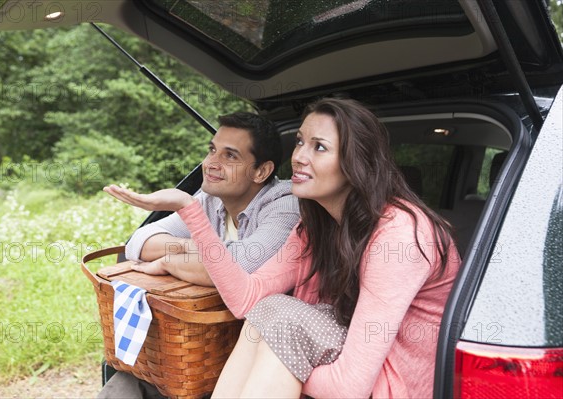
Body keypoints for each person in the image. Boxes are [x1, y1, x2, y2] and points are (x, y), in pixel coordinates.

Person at [104, 98, 462, 398]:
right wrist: (191, 210)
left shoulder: (399, 234)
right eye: (300, 142)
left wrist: (281, 361)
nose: (301, 156)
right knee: (273, 308)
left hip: (391, 387)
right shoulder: (315, 224)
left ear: (357, 163)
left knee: (285, 319)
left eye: (319, 147)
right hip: (339, 364)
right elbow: (247, 298)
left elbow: (350, 387)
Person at [98, 111, 300, 399]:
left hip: (258, 349)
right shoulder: (211, 199)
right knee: (124, 384)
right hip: (201, 346)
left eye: (230, 156)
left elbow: (239, 269)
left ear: (261, 172)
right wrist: (195, 248)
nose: (211, 163)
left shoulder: (286, 205)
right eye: (212, 150)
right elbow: (139, 243)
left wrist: (168, 260)